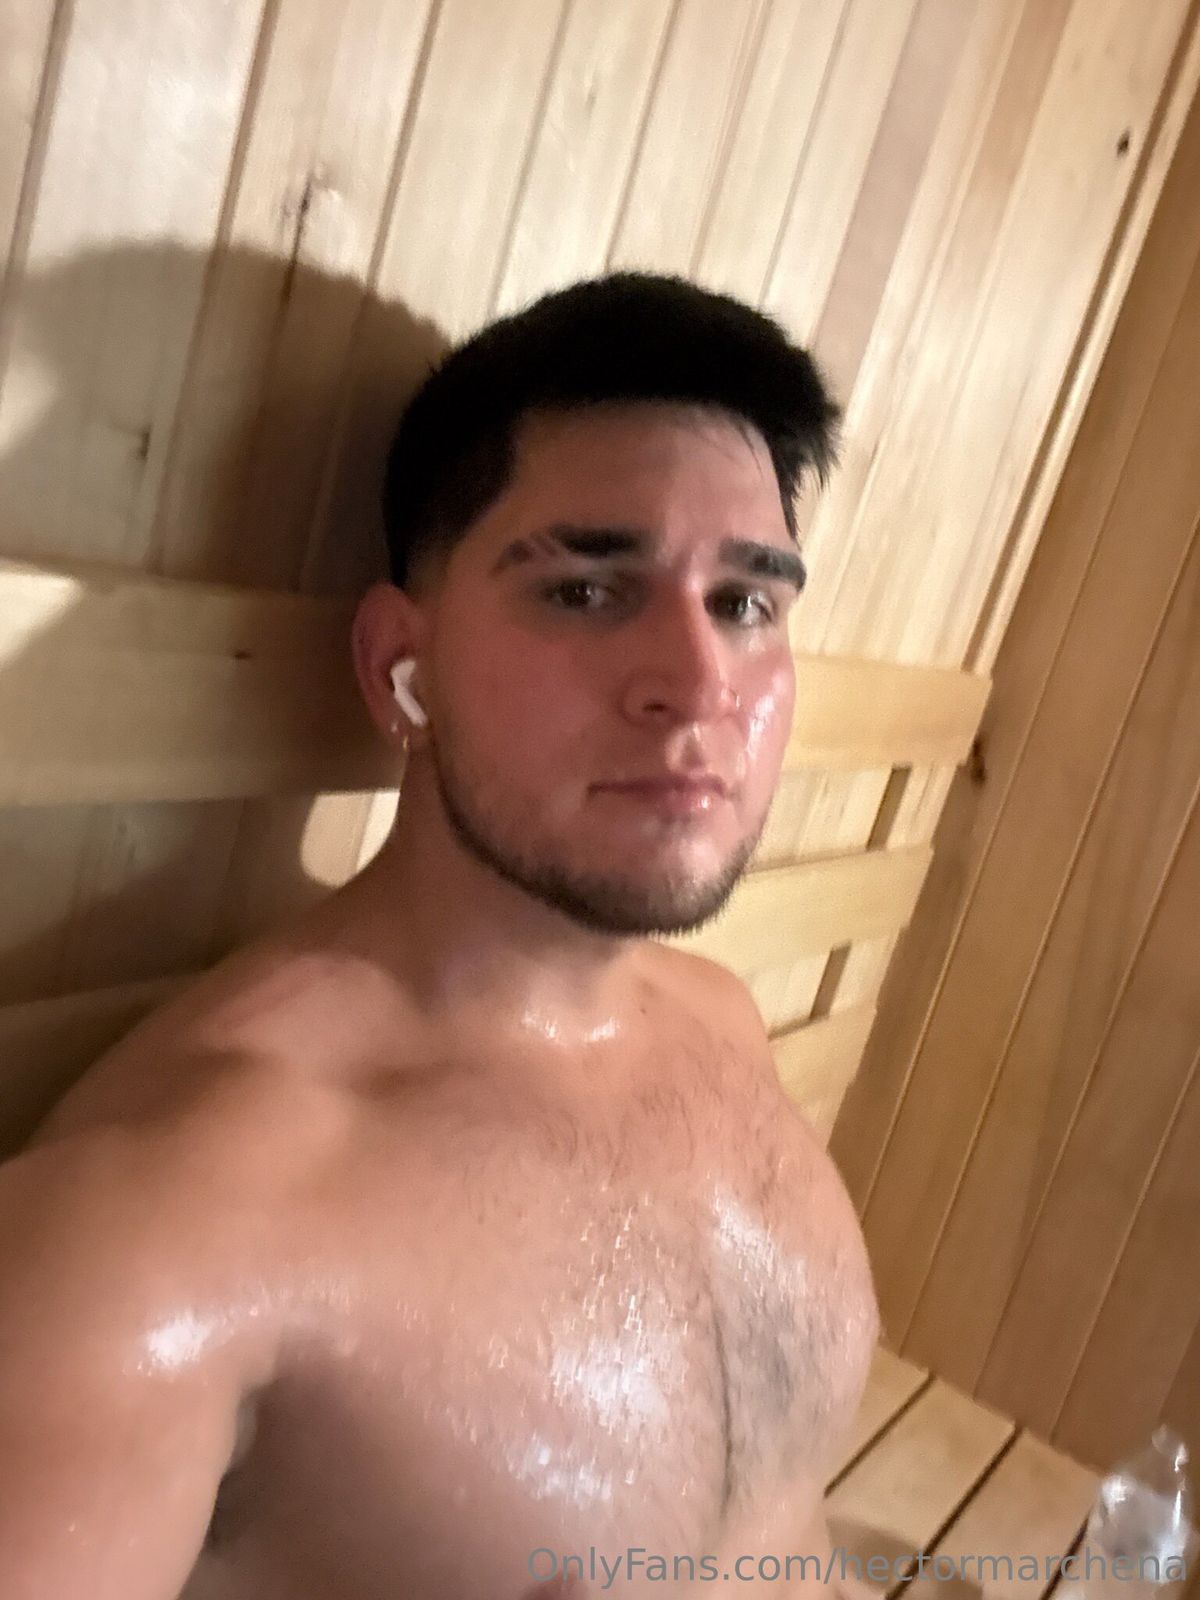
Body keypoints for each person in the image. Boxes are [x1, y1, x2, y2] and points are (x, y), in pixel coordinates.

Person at [0, 271, 880, 1599]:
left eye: (746, 603)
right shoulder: (173, 1227)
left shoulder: (721, 1022)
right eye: (587, 589)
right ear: (397, 670)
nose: (700, 684)